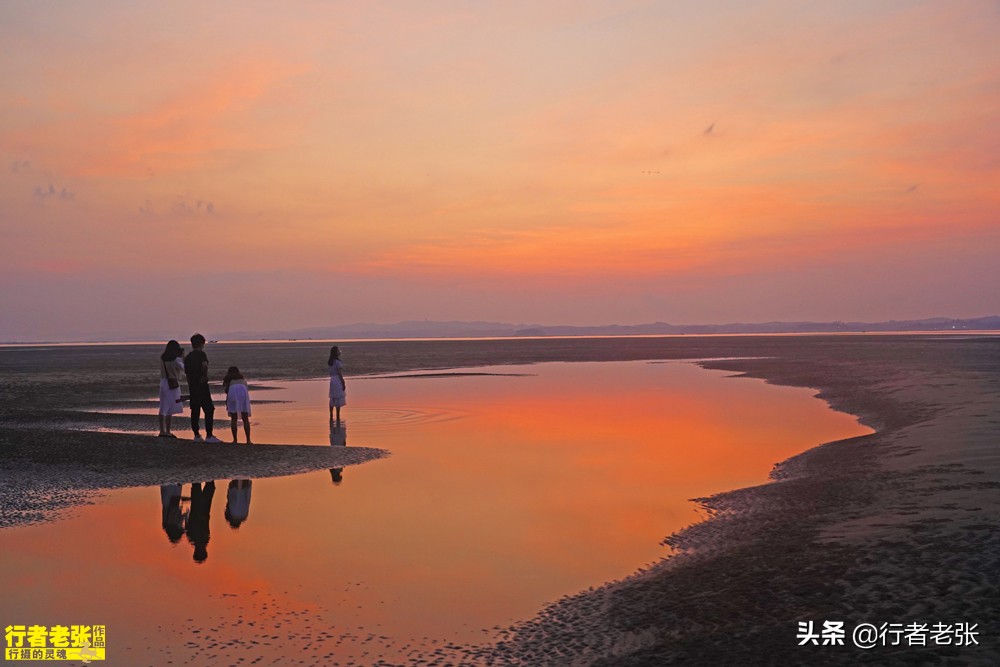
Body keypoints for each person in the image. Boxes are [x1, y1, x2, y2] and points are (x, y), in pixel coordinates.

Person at [184, 333, 221, 443]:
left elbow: (187, 375)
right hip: (202, 386)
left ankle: (196, 435)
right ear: (201, 344)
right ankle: (209, 435)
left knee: (195, 411)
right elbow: (204, 366)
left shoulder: (188, 357)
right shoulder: (201, 354)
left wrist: (190, 385)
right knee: (209, 409)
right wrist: (204, 377)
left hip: (193, 387)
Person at [158, 340, 185, 438]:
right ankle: (168, 431)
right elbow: (184, 368)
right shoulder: (175, 359)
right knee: (170, 407)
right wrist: (183, 356)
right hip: (172, 383)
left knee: (163, 406)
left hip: (163, 382)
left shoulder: (162, 358)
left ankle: (162, 430)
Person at [222, 366, 252, 444]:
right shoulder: (243, 379)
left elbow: (226, 390)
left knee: (234, 419)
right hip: (243, 395)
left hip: (232, 394)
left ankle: (235, 440)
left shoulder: (228, 379)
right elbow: (246, 388)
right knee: (245, 419)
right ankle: (248, 440)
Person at [328, 345, 346, 425]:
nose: (340, 351)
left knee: (332, 397)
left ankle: (331, 414)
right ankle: (337, 415)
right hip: (337, 380)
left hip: (332, 380)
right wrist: (343, 381)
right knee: (338, 397)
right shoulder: (337, 362)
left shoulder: (331, 361)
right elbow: (339, 373)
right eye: (339, 350)